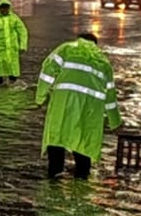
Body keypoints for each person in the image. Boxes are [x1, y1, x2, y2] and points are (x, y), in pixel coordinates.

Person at [35, 32, 122, 179]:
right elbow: (110, 96)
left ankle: (54, 177)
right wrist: (115, 121)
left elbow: (48, 71)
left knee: (57, 137)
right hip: (90, 110)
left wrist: (39, 98)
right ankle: (82, 179)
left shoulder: (65, 49)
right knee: (84, 142)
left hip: (63, 103)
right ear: (95, 44)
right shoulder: (104, 62)